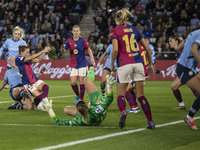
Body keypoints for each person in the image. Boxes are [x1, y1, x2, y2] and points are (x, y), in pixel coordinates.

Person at [110, 9, 155, 129]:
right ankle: (150, 122)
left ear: (116, 19)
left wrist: (112, 64)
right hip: (139, 64)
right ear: (126, 19)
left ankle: (123, 111)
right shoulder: (135, 30)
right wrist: (150, 64)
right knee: (141, 95)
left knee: (120, 94)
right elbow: (147, 49)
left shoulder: (115, 31)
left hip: (124, 64)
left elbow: (115, 50)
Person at [41, 67, 115, 126]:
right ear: (86, 107)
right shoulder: (96, 111)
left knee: (66, 109)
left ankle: (92, 67)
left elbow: (58, 123)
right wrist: (109, 87)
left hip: (91, 116)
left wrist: (50, 110)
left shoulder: (78, 121)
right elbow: (109, 99)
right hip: (97, 105)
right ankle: (92, 68)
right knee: (87, 80)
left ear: (79, 113)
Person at [61, 25, 96, 104]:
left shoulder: (83, 41)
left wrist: (92, 60)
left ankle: (81, 100)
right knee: (73, 82)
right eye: (74, 31)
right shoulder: (69, 41)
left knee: (81, 82)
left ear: (79, 32)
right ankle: (78, 95)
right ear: (72, 32)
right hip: (73, 65)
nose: (76, 32)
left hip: (82, 64)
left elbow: (89, 50)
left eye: (77, 31)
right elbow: (64, 50)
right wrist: (62, 49)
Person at [176, 29, 200, 130]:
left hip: (188, 67)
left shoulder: (195, 32)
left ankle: (189, 117)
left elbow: (179, 46)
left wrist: (183, 57)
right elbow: (193, 50)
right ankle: (189, 117)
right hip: (186, 69)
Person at [15, 45, 51, 111]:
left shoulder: (27, 59)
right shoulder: (18, 59)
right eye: (26, 52)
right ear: (21, 52)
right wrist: (43, 50)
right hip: (28, 84)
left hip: (35, 80)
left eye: (28, 52)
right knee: (39, 96)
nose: (28, 54)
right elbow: (30, 57)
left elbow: (38, 60)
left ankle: (40, 102)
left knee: (46, 87)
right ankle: (39, 103)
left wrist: (45, 52)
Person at [169, 35, 199, 110]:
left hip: (189, 70)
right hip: (185, 70)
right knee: (174, 87)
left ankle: (183, 105)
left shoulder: (182, 48)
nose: (169, 43)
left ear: (176, 41)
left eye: (171, 41)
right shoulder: (176, 51)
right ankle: (181, 104)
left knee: (194, 88)